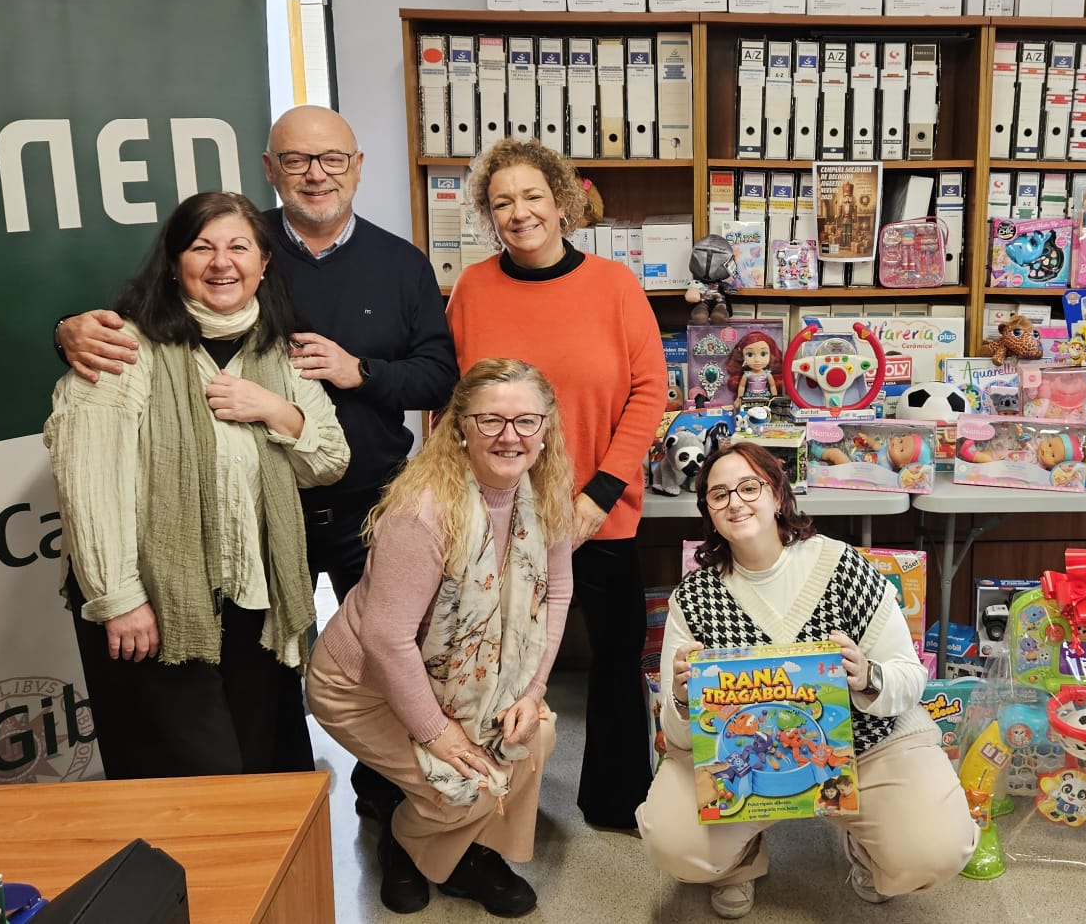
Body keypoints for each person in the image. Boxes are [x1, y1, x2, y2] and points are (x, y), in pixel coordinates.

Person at [58, 106, 457, 815]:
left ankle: (391, 814)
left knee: (375, 677)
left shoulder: (392, 269)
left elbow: (436, 380)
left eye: (332, 159)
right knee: (218, 744)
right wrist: (64, 330)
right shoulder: (197, 285)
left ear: (357, 166)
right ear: (271, 169)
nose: (316, 174)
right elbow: (97, 455)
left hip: (351, 519)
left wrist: (352, 375)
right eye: (296, 160)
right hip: (229, 554)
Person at [44, 190, 349, 780]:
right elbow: (89, 487)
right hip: (154, 605)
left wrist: (273, 409)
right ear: (174, 261)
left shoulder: (280, 352)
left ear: (264, 262)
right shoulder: (122, 349)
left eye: (239, 247)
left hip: (252, 601)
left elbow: (329, 460)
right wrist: (119, 599)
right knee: (191, 778)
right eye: (202, 247)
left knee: (262, 768)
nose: (222, 262)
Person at [636, 443, 975, 919]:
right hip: (743, 762)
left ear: (777, 494)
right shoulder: (694, 598)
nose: (735, 502)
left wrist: (867, 676)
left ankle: (868, 850)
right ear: (708, 511)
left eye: (749, 487)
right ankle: (740, 863)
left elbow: (909, 676)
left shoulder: (842, 566)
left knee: (934, 848)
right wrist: (679, 696)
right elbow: (678, 736)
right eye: (718, 494)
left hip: (865, 746)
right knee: (673, 842)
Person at [445, 138, 664, 829]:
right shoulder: (472, 289)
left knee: (616, 653)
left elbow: (649, 392)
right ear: (489, 215)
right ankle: (487, 808)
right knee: (491, 656)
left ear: (563, 202)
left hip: (596, 511)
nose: (520, 212)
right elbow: (454, 400)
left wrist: (599, 495)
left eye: (533, 196)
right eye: (502, 201)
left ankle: (617, 800)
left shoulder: (615, 286)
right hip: (497, 510)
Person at [309, 359, 573, 916]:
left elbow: (557, 596)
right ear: (459, 427)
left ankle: (458, 851)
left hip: (465, 677)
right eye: (490, 420)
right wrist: (438, 734)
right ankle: (406, 837)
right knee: (465, 781)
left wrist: (532, 693)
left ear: (546, 429)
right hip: (362, 686)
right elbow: (386, 639)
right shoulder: (424, 510)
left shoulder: (545, 495)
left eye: (526, 421)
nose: (510, 436)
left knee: (536, 736)